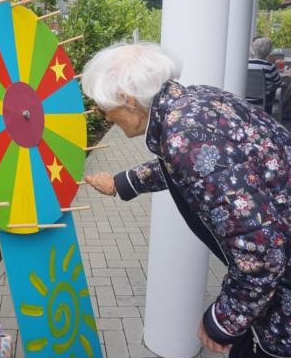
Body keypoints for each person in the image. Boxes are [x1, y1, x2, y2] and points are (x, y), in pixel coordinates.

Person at [81, 42, 291, 358]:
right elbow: (203, 164)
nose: (106, 116)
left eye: (103, 107)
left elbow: (260, 251)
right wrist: (123, 183)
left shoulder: (185, 135)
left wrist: (223, 320)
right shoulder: (193, 103)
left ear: (127, 99)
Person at [248, 36, 282, 115]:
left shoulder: (246, 64)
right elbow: (279, 82)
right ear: (268, 51)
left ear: (254, 49)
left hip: (245, 97)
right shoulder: (270, 66)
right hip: (263, 100)